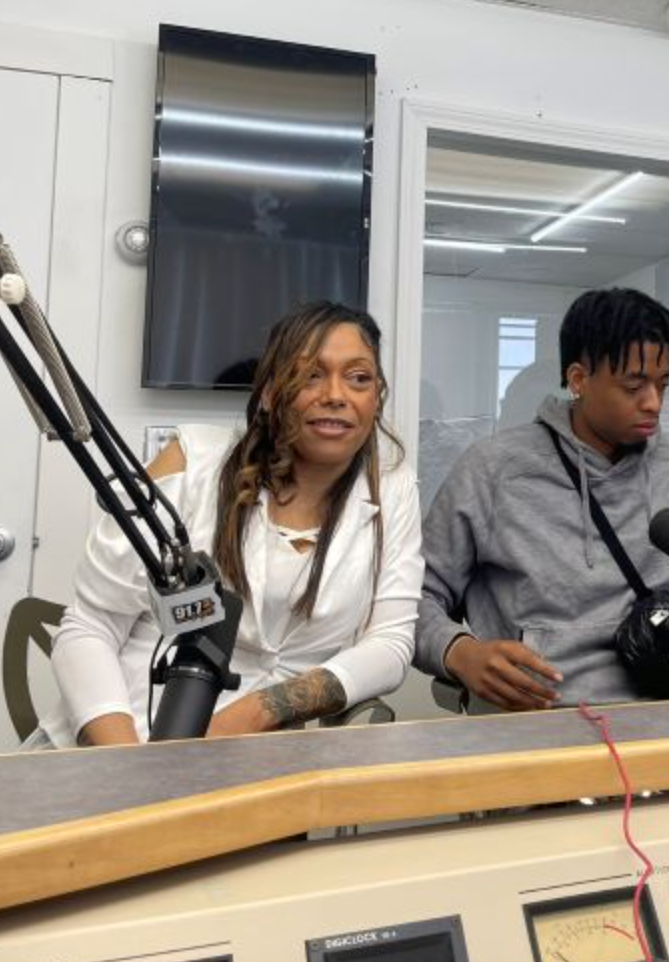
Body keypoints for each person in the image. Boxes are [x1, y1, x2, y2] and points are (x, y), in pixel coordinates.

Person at [42, 301, 424, 746]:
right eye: (310, 375)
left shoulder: (393, 488)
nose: (336, 395)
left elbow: (390, 645)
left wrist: (257, 712)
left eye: (359, 378)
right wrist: (124, 760)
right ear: (268, 394)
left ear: (376, 397)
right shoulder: (193, 461)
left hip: (253, 758)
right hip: (120, 736)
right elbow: (91, 626)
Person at [414, 288, 669, 710]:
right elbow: (416, 598)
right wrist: (459, 652)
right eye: (634, 385)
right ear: (578, 380)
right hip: (539, 719)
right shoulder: (494, 470)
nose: (654, 403)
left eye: (663, 384)